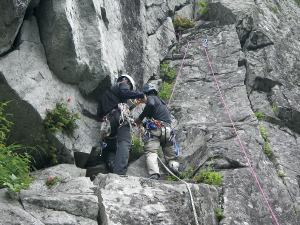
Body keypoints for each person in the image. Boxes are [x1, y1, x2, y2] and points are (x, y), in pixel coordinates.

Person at [97, 74, 146, 175]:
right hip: (119, 116)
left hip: (107, 123)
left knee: (111, 147)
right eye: (129, 87)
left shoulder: (104, 96)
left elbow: (99, 114)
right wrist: (141, 95)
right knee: (124, 141)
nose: (128, 88)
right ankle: (119, 173)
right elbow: (125, 93)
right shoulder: (122, 84)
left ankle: (111, 164)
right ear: (126, 82)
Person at [134, 84, 180, 180]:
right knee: (171, 157)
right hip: (168, 131)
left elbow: (150, 104)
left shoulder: (151, 98)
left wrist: (140, 118)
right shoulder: (163, 104)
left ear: (146, 94)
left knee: (151, 152)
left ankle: (154, 173)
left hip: (156, 130)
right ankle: (173, 167)